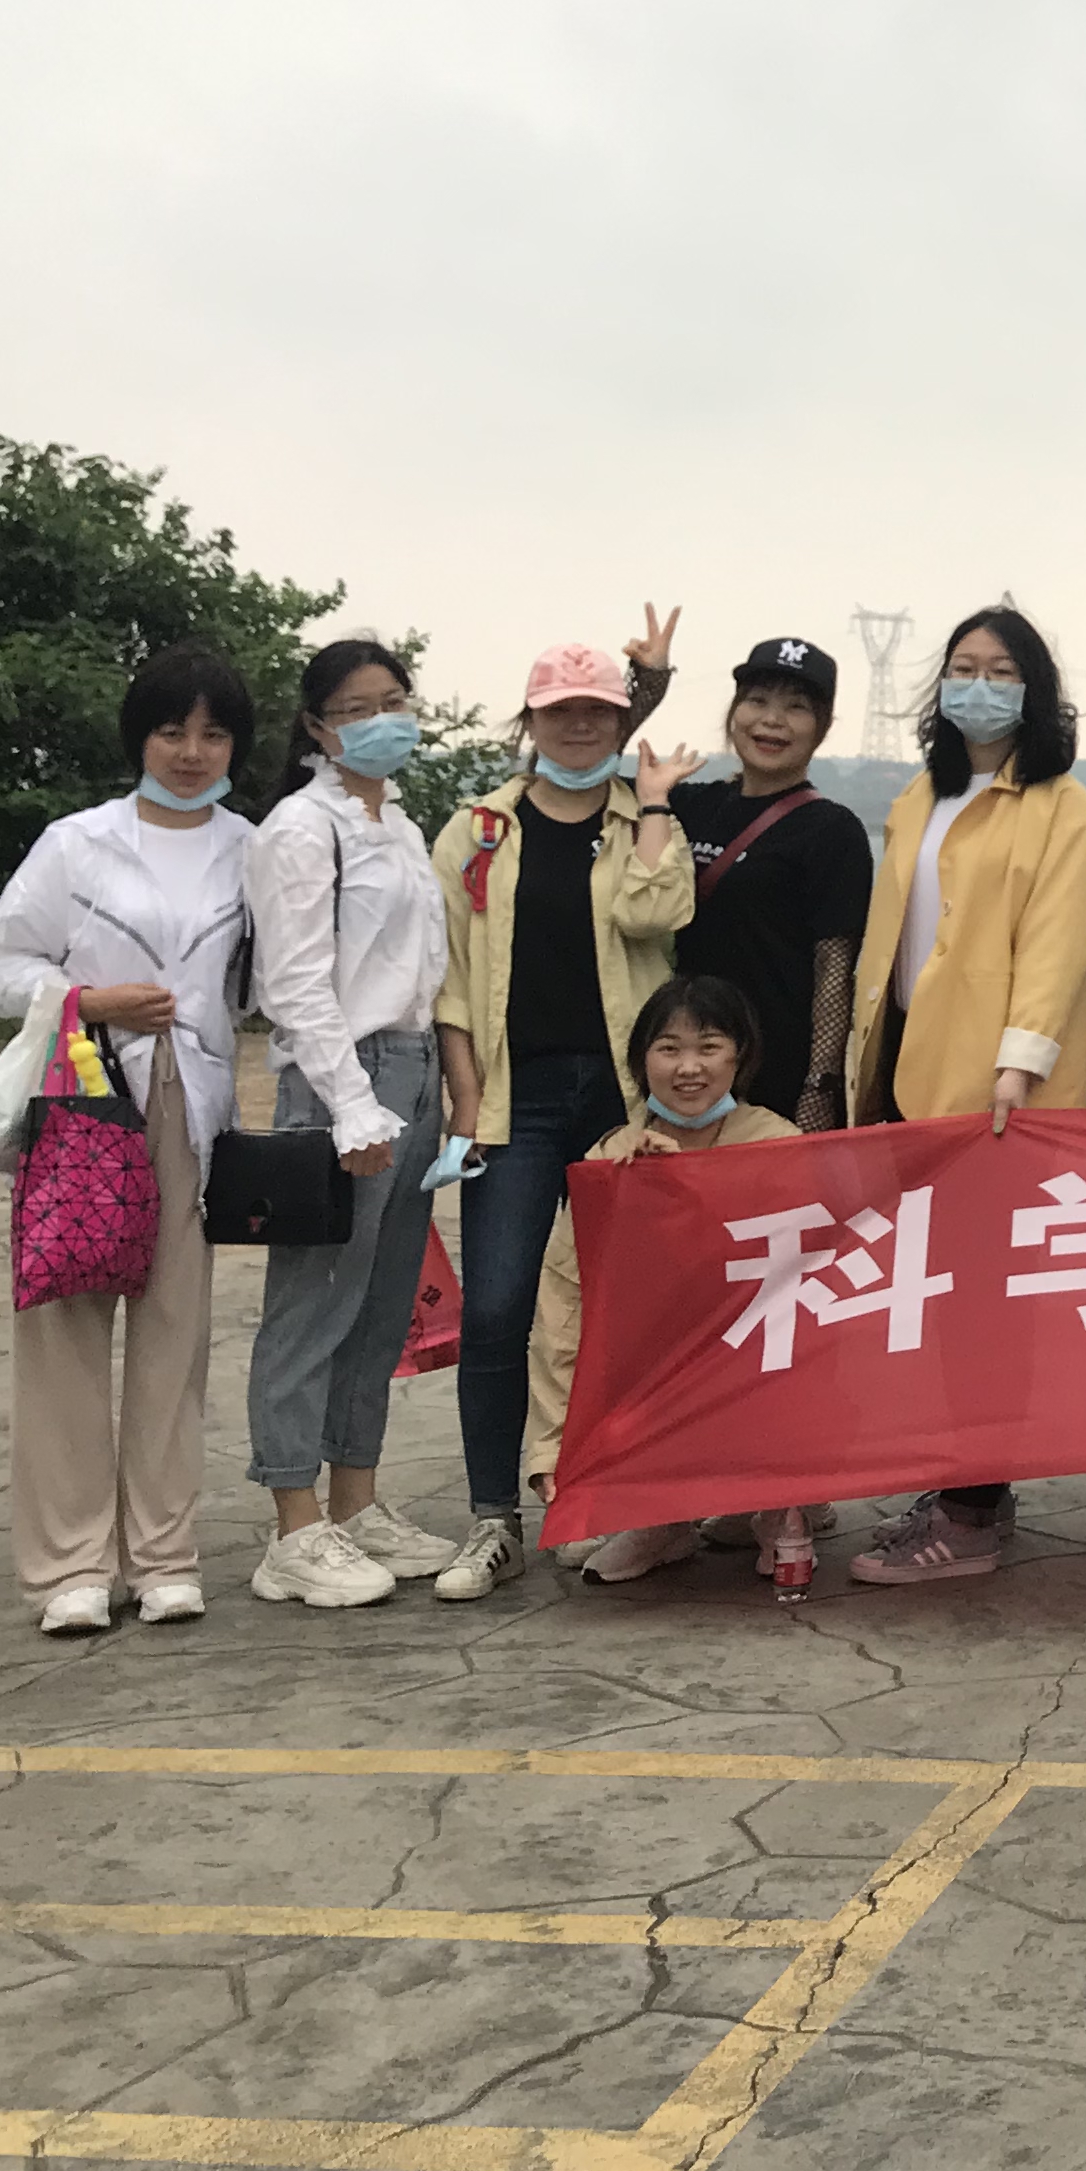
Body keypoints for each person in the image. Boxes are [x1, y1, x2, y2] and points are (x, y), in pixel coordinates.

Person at [0, 645, 256, 1636]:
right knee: (65, 1326)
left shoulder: (252, 849)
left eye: (213, 733)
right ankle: (70, 1566)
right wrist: (89, 1000)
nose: (192, 751)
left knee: (176, 1332)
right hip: (88, 1095)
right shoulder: (77, 844)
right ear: (140, 737)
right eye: (172, 730)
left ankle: (164, 1554)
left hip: (192, 1101)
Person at [428, 645, 703, 1602]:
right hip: (517, 1098)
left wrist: (655, 805)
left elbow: (658, 914)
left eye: (596, 711)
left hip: (626, 1101)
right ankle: (493, 1518)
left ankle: (626, 1503)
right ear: (530, 718)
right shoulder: (478, 831)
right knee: (498, 1308)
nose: (578, 726)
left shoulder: (646, 820)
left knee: (627, 1310)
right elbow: (451, 982)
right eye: (559, 710)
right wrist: (466, 1106)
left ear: (620, 720)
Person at [844, 605, 1086, 1588]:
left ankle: (972, 1515)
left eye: (1001, 670)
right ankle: (963, 1486)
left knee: (986, 1309)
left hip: (999, 1093)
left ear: (1034, 691)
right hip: (914, 1069)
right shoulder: (924, 795)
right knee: (942, 1300)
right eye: (964, 666)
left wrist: (1020, 1062)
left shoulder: (1059, 803)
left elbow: (1056, 943)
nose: (979, 685)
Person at [240, 638, 459, 1612]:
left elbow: (424, 971)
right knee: (313, 1303)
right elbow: (292, 984)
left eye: (395, 701)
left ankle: (355, 1502)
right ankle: (293, 1524)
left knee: (379, 1306)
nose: (382, 722)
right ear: (316, 727)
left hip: (411, 1071)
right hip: (342, 1080)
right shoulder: (300, 828)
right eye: (358, 708)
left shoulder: (399, 825)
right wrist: (350, 1105)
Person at [521, 976, 805, 1590]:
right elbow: (564, 1301)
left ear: (740, 1056)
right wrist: (552, 1450)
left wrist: (687, 1192)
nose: (689, 1068)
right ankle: (660, 1517)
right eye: (668, 1048)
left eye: (709, 1047)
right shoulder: (610, 1159)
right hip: (654, 1379)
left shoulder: (779, 1143)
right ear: (640, 1060)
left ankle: (782, 1507)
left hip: (754, 1363)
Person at [667, 637, 874, 1133]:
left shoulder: (832, 831)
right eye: (757, 701)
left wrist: (819, 1085)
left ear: (822, 728)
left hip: (776, 1067)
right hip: (683, 1067)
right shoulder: (689, 806)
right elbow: (592, 770)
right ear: (734, 712)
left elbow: (834, 966)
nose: (772, 720)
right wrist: (648, 684)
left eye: (796, 707)